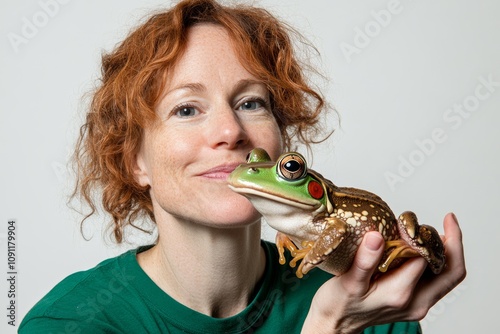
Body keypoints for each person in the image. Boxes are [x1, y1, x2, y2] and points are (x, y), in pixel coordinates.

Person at [19, 0, 466, 333]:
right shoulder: (72, 321)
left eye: (250, 102)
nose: (231, 131)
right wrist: (328, 327)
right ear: (134, 160)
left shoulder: (377, 302)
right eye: (187, 109)